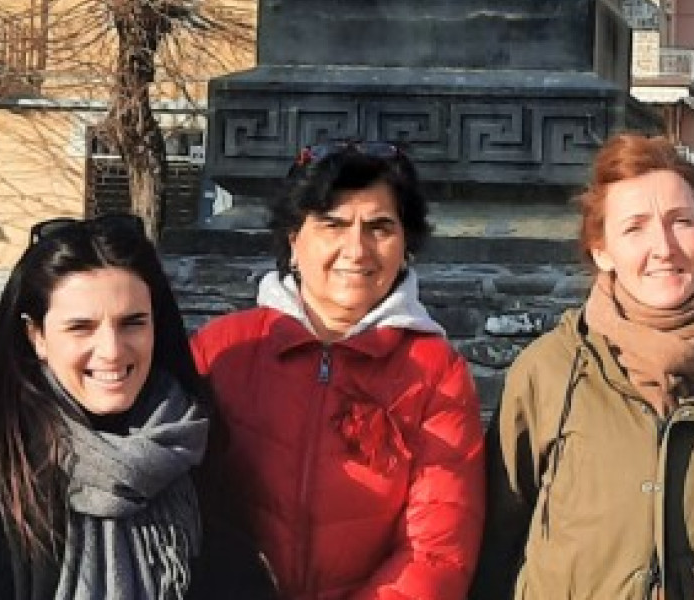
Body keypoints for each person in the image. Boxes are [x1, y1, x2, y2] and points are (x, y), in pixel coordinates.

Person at [0, 214, 264, 600]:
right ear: (37, 336)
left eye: (133, 323)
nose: (112, 351)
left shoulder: (195, 443)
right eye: (81, 327)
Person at [472, 134, 694, 600]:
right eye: (634, 227)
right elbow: (497, 539)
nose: (663, 247)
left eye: (681, 221)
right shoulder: (549, 371)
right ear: (602, 250)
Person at [193, 141, 484, 600]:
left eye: (380, 227)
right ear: (294, 239)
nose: (357, 248)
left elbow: (436, 552)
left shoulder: (435, 372)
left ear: (406, 243)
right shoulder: (222, 350)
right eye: (333, 224)